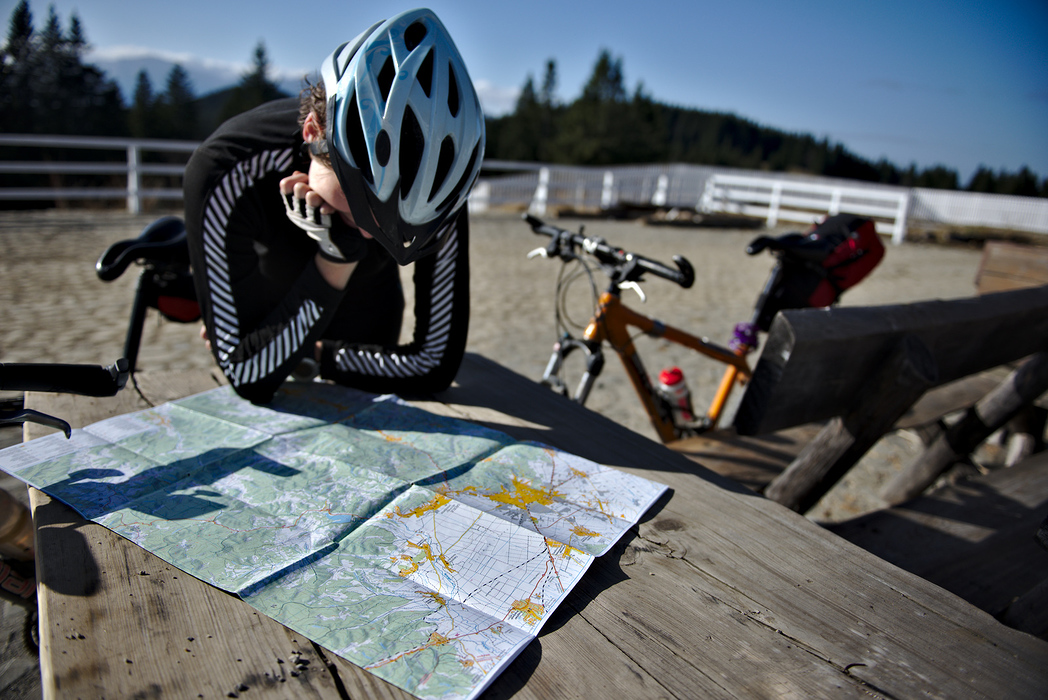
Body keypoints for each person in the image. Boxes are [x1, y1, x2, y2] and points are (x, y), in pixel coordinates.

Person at [183, 8, 485, 405]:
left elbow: (434, 364)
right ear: (313, 131)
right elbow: (248, 373)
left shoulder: (437, 181)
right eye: (356, 207)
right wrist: (335, 259)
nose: (363, 233)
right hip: (282, 318)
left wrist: (302, 353)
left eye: (389, 225)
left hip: (347, 332)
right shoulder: (226, 168)